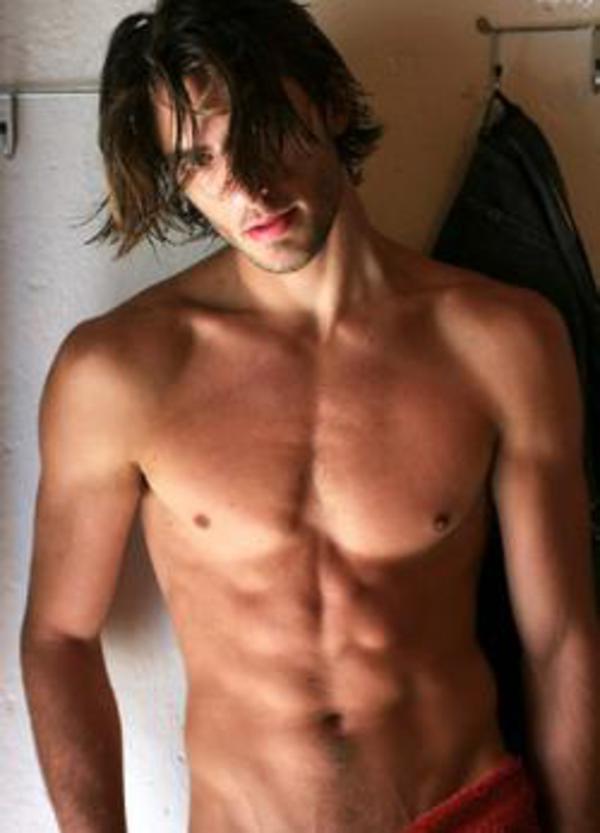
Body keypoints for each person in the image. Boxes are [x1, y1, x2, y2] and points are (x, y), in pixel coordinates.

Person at [20, 1, 599, 831]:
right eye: (198, 161)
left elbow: (561, 637)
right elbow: (58, 636)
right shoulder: (119, 372)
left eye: (263, 130)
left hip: (467, 810)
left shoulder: (501, 341)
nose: (247, 185)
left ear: (330, 102)